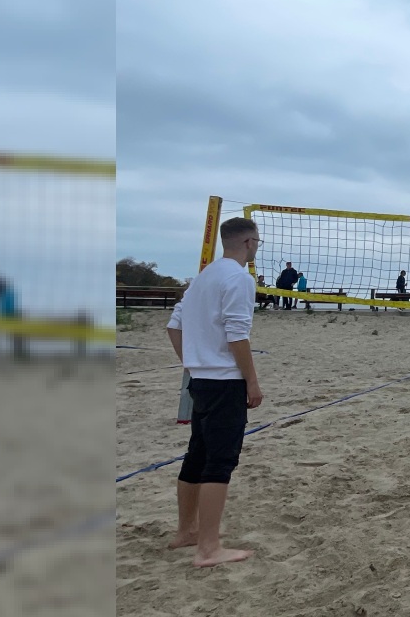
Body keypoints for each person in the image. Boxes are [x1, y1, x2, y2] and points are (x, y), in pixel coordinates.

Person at [165, 217, 264, 567]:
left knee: (197, 455)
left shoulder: (204, 276)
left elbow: (173, 326)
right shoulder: (238, 278)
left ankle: (186, 532)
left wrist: (192, 363)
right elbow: (237, 335)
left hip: (201, 380)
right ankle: (208, 548)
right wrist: (251, 381)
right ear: (249, 243)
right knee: (219, 462)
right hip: (224, 382)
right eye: (258, 244)